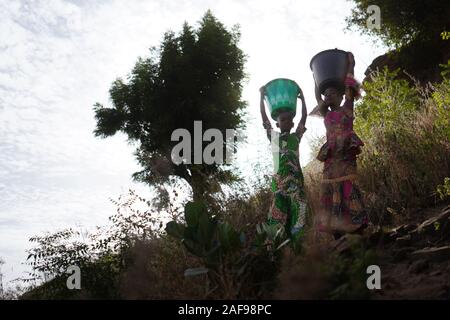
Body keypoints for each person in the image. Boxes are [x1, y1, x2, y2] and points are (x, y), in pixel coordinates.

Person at [315, 52, 368, 239]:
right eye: (325, 94)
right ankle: (336, 228)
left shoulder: (347, 108)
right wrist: (315, 76)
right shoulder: (326, 115)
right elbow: (317, 96)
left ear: (340, 95)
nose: (328, 96)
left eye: (331, 93)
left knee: (347, 186)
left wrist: (351, 66)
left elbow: (350, 88)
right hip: (331, 158)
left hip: (345, 154)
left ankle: (356, 225)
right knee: (331, 188)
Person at [259, 84, 309, 247]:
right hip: (279, 186)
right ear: (278, 124)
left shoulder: (296, 137)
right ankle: (273, 251)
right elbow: (264, 119)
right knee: (277, 218)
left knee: (298, 216)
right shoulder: (274, 138)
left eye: (289, 119)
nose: (287, 121)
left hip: (296, 185)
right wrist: (261, 97)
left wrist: (302, 98)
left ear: (292, 123)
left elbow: (304, 118)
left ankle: (297, 251)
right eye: (283, 120)